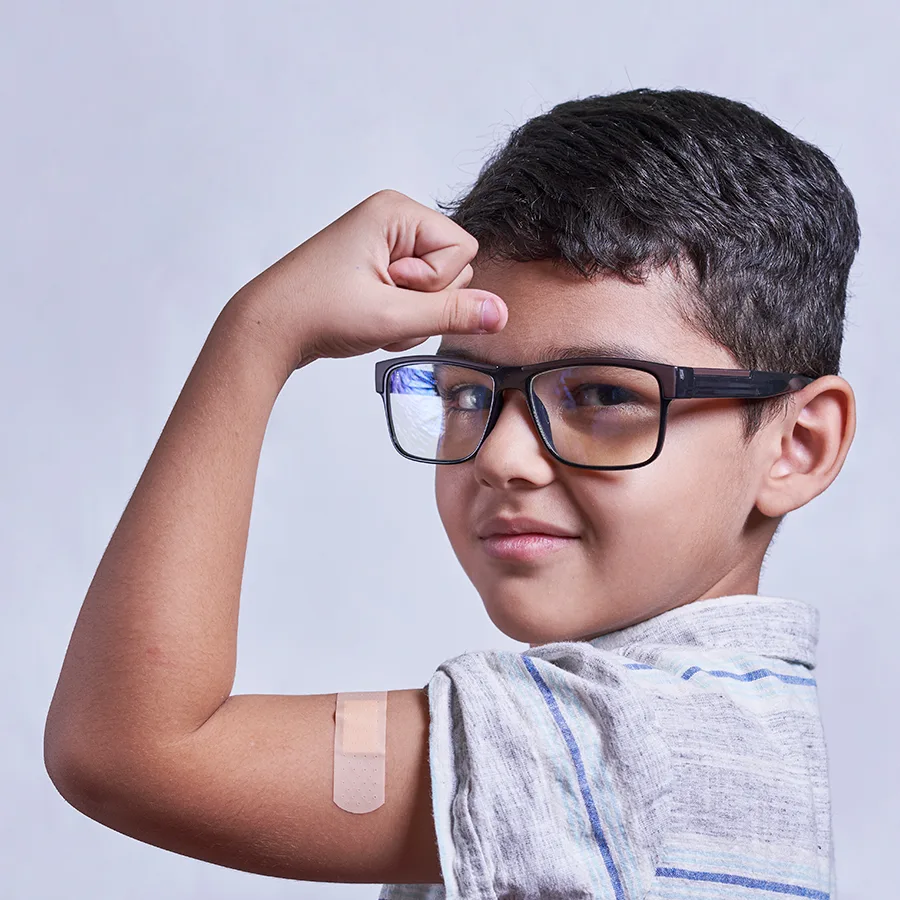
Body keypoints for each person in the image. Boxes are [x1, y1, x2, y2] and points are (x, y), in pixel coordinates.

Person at [43, 88, 858, 899]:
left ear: (797, 444)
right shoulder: (720, 729)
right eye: (466, 393)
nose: (502, 455)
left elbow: (126, 751)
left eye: (605, 396)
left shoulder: (627, 743)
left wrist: (260, 331)